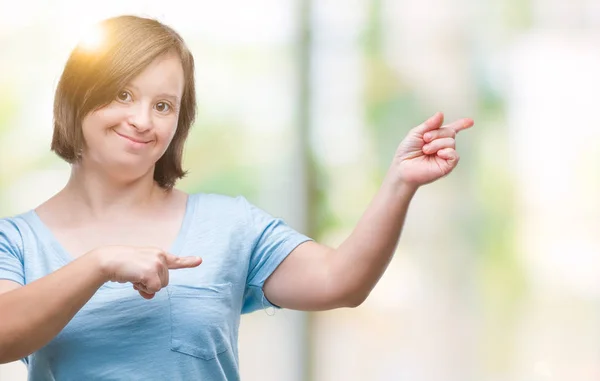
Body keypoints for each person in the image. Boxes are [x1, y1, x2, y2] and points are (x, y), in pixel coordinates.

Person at [0, 15, 474, 381]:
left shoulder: (230, 224)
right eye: (123, 94)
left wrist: (399, 182)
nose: (143, 120)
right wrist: (99, 264)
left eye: (164, 105)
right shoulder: (16, 242)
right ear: (78, 98)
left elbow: (341, 281)